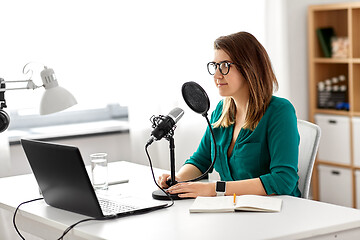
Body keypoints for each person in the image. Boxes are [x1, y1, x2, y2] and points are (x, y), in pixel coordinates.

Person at [158, 31, 301, 198]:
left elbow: (283, 180)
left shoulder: (279, 111)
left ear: (249, 67)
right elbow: (201, 160)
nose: (217, 75)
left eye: (225, 66)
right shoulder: (221, 111)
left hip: (278, 212)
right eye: (215, 66)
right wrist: (178, 179)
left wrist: (214, 189)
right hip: (233, 210)